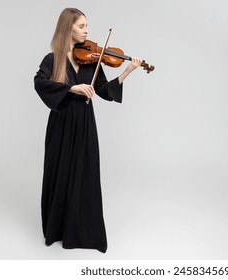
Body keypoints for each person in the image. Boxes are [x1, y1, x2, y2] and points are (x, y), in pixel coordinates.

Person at [34, 7, 141, 253]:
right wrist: (72, 89)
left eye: (86, 26)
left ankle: (81, 233)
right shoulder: (52, 59)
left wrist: (127, 71)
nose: (87, 31)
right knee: (60, 172)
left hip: (84, 122)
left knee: (84, 173)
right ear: (67, 27)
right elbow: (40, 83)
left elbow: (102, 90)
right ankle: (57, 230)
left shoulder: (92, 59)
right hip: (61, 122)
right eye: (81, 26)